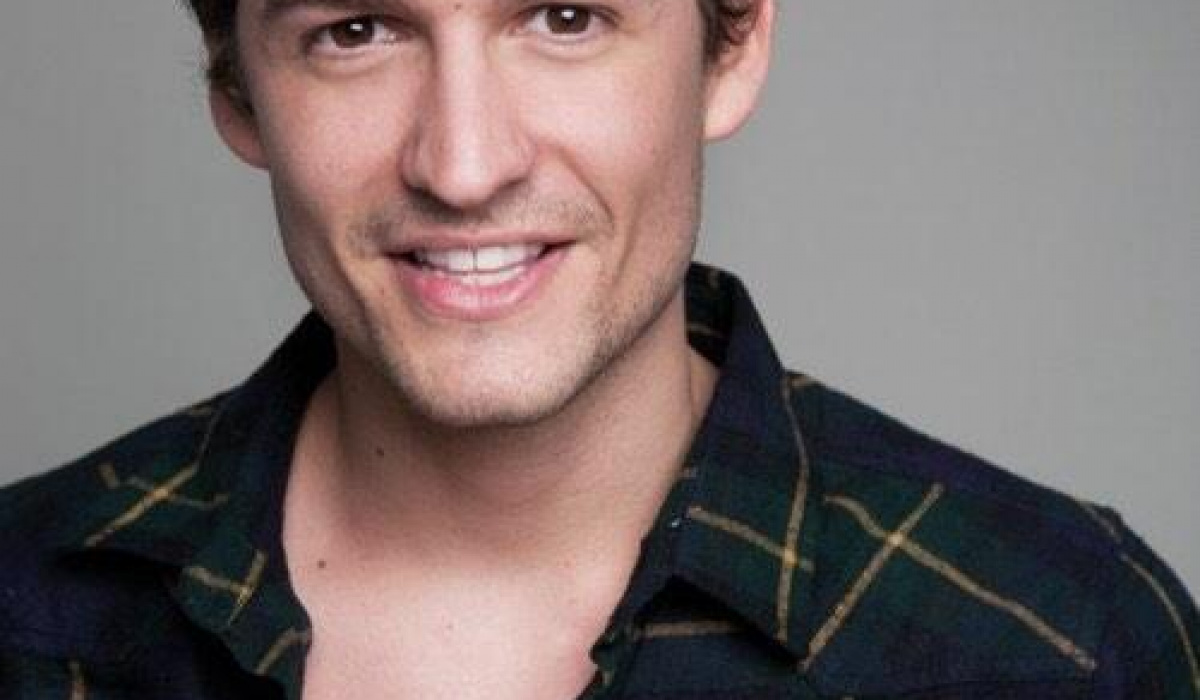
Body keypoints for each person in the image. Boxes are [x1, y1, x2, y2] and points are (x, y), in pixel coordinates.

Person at [0, 0, 1195, 698]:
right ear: (238, 91)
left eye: (565, 17)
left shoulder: (1062, 643)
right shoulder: (22, 614)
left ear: (730, 46)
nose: (465, 165)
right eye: (356, 30)